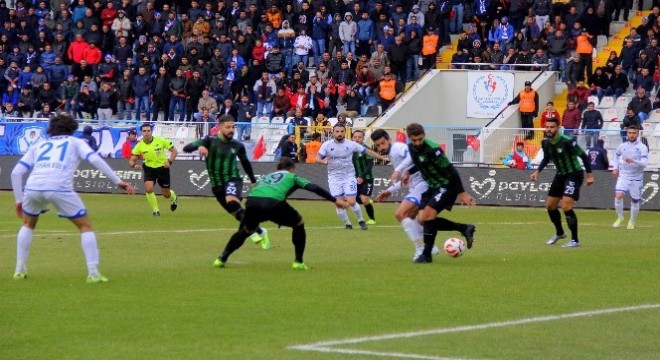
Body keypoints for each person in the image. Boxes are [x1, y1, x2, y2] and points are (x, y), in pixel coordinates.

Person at [10, 113, 135, 283]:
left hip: (33, 187)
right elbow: (95, 160)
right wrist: (118, 181)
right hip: (59, 186)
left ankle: (19, 270)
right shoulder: (76, 142)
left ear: (51, 129)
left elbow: (16, 173)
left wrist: (19, 200)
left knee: (28, 224)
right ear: (73, 129)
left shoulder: (40, 144)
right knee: (85, 226)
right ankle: (93, 273)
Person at [213, 157, 349, 270]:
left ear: (277, 169)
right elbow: (313, 187)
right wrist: (335, 200)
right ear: (292, 168)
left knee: (247, 230)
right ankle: (298, 262)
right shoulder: (293, 176)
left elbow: (256, 190)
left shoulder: (265, 177)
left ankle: (222, 258)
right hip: (273, 202)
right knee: (298, 223)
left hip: (252, 201)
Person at [182, 114, 270, 249]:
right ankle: (260, 231)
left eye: (233, 127)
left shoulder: (237, 145)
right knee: (236, 213)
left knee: (232, 201)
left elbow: (246, 163)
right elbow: (186, 148)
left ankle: (251, 233)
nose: (231, 130)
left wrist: (253, 180)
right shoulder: (209, 141)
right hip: (217, 186)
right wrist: (199, 147)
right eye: (228, 127)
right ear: (220, 127)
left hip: (233, 179)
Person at [398, 123, 476, 263]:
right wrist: (408, 172)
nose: (417, 142)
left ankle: (426, 255)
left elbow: (451, 170)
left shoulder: (433, 149)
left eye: (420, 139)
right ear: (409, 139)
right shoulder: (412, 148)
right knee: (422, 219)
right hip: (432, 186)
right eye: (414, 140)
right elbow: (420, 163)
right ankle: (464, 228)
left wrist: (462, 193)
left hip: (446, 185)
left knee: (428, 214)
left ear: (424, 136)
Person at [371, 129, 442, 260]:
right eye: (378, 145)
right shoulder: (392, 154)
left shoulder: (398, 148)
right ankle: (429, 248)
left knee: (400, 214)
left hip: (424, 184)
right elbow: (406, 178)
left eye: (383, 143)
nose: (382, 147)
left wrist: (397, 170)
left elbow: (412, 155)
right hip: (417, 186)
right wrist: (389, 190)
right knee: (413, 217)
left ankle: (421, 249)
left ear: (389, 140)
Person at [530, 117, 594, 248]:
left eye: (552, 127)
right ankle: (560, 233)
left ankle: (575, 240)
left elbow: (583, 156)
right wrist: (538, 172)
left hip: (574, 174)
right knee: (550, 206)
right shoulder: (546, 143)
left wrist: (589, 175)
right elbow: (547, 158)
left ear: (558, 128)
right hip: (560, 175)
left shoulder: (567, 141)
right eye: (547, 127)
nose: (548, 129)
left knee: (566, 206)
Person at [317, 124, 386, 230]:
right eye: (337, 131)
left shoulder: (351, 144)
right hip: (334, 178)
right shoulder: (326, 145)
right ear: (333, 132)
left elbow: (368, 151)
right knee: (339, 203)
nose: (339, 133)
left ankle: (361, 220)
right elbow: (317, 158)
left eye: (341, 131)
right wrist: (323, 160)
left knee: (352, 201)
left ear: (345, 132)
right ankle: (347, 224)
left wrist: (381, 157)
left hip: (349, 176)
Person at [128, 123, 179, 217]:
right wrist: (134, 165)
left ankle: (173, 197)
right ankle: (156, 211)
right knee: (149, 189)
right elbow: (131, 160)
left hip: (162, 168)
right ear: (141, 133)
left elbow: (174, 151)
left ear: (151, 131)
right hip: (149, 168)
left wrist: (170, 162)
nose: (146, 133)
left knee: (166, 194)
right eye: (144, 131)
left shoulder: (161, 140)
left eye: (148, 131)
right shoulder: (139, 145)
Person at [612, 126, 648, 230]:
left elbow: (644, 163)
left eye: (634, 133)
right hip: (624, 175)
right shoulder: (622, 146)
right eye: (629, 133)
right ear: (627, 133)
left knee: (635, 200)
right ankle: (620, 217)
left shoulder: (642, 147)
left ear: (637, 134)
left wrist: (634, 161)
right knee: (618, 195)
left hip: (636, 177)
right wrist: (615, 168)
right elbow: (616, 156)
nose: (631, 135)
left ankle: (632, 221)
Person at [351, 130, 376, 225]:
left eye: (359, 137)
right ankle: (367, 201)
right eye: (355, 137)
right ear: (353, 138)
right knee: (354, 200)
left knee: (364, 200)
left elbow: (370, 165)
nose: (357, 139)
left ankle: (372, 219)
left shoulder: (366, 150)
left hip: (367, 178)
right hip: (354, 179)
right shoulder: (350, 149)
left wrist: (362, 176)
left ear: (363, 138)